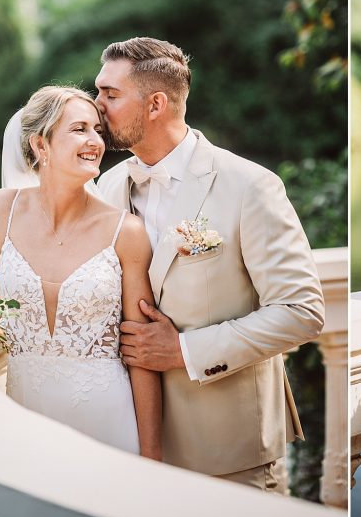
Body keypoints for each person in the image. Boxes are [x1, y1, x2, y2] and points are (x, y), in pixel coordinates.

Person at [91, 37, 325, 492]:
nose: (96, 106)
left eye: (110, 95)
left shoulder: (250, 186)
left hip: (229, 449)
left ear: (156, 103)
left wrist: (184, 351)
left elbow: (302, 311)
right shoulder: (106, 186)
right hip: (130, 441)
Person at [0, 86, 162, 459]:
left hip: (107, 424)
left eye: (98, 130)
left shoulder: (125, 232)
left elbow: (141, 354)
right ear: (41, 145)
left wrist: (151, 458)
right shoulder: (3, 210)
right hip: (21, 421)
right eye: (80, 129)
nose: (95, 140)